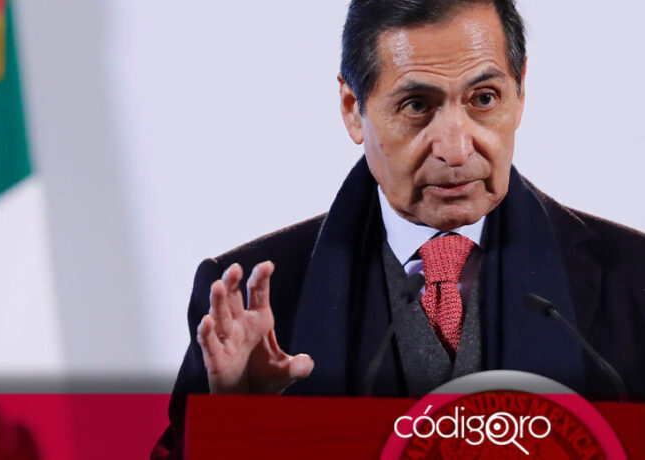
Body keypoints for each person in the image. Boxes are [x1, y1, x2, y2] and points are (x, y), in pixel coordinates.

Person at [153, 0, 645, 458]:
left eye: (483, 98)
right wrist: (233, 429)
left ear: (520, 93)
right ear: (353, 109)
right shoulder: (250, 304)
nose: (455, 149)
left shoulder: (634, 278)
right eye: (416, 106)